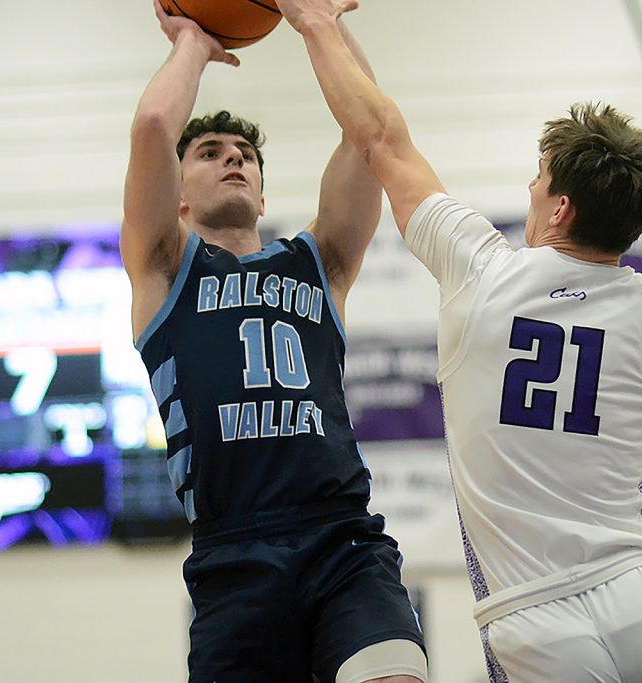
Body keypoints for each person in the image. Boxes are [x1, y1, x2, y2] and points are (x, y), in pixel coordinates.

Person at [275, 1, 642, 681]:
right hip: (640, 594)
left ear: (560, 208)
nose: (529, 187)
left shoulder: (481, 268)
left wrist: (314, 21)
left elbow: (379, 136)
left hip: (533, 615)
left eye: (538, 178)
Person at [120, 4, 427, 682]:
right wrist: (193, 46)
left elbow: (369, 134)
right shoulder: (165, 269)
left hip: (342, 538)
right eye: (210, 152)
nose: (235, 158)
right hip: (235, 554)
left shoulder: (320, 261)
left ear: (261, 194)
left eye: (247, 156)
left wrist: (321, 21)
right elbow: (150, 127)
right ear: (176, 196)